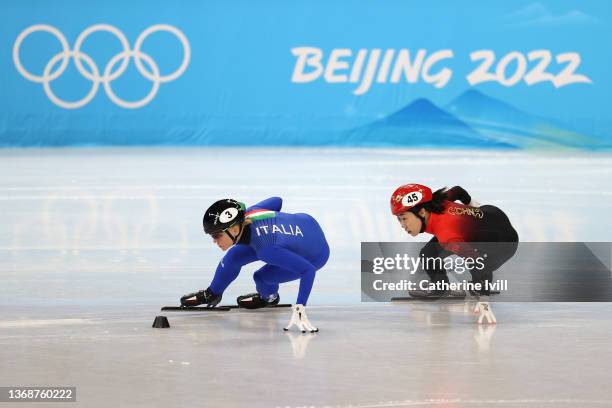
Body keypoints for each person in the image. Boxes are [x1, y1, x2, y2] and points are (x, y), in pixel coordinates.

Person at [180, 197, 329, 333]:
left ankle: (269, 297)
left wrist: (300, 308)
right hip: (307, 221)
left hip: (315, 255)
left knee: (261, 278)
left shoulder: (267, 250)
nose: (214, 241)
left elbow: (308, 270)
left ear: (234, 229)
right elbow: (277, 201)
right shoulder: (251, 213)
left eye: (216, 235)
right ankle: (212, 294)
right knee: (234, 256)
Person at [390, 184, 518, 324]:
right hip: (491, 214)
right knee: (428, 254)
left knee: (475, 265)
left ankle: (476, 287)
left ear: (421, 212)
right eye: (399, 219)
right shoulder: (437, 201)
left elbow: (480, 264)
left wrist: (484, 299)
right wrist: (470, 203)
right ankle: (441, 288)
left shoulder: (448, 235)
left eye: (404, 218)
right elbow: (457, 191)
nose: (402, 225)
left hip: (504, 244)